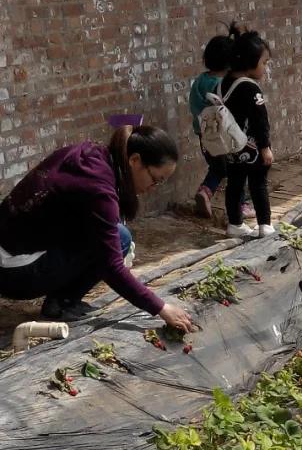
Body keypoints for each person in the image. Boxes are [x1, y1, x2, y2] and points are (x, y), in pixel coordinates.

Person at [0, 126, 193, 330]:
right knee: (120, 240)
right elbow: (111, 267)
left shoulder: (89, 156)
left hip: (10, 254)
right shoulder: (99, 189)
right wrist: (161, 307)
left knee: (116, 234)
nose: (154, 188)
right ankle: (62, 303)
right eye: (156, 179)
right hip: (15, 273)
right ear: (135, 160)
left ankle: (63, 299)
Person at [220, 30, 274, 240]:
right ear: (250, 63)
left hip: (231, 147)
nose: (265, 68)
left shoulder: (223, 83)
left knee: (234, 183)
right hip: (251, 147)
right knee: (258, 183)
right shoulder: (250, 88)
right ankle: (265, 224)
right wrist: (265, 147)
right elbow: (261, 121)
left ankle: (235, 223)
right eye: (264, 63)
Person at [189, 31, 234, 218]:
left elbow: (194, 105)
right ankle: (239, 205)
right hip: (224, 135)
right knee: (234, 169)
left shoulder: (200, 81)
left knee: (217, 167)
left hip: (204, 134)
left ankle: (205, 192)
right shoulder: (224, 84)